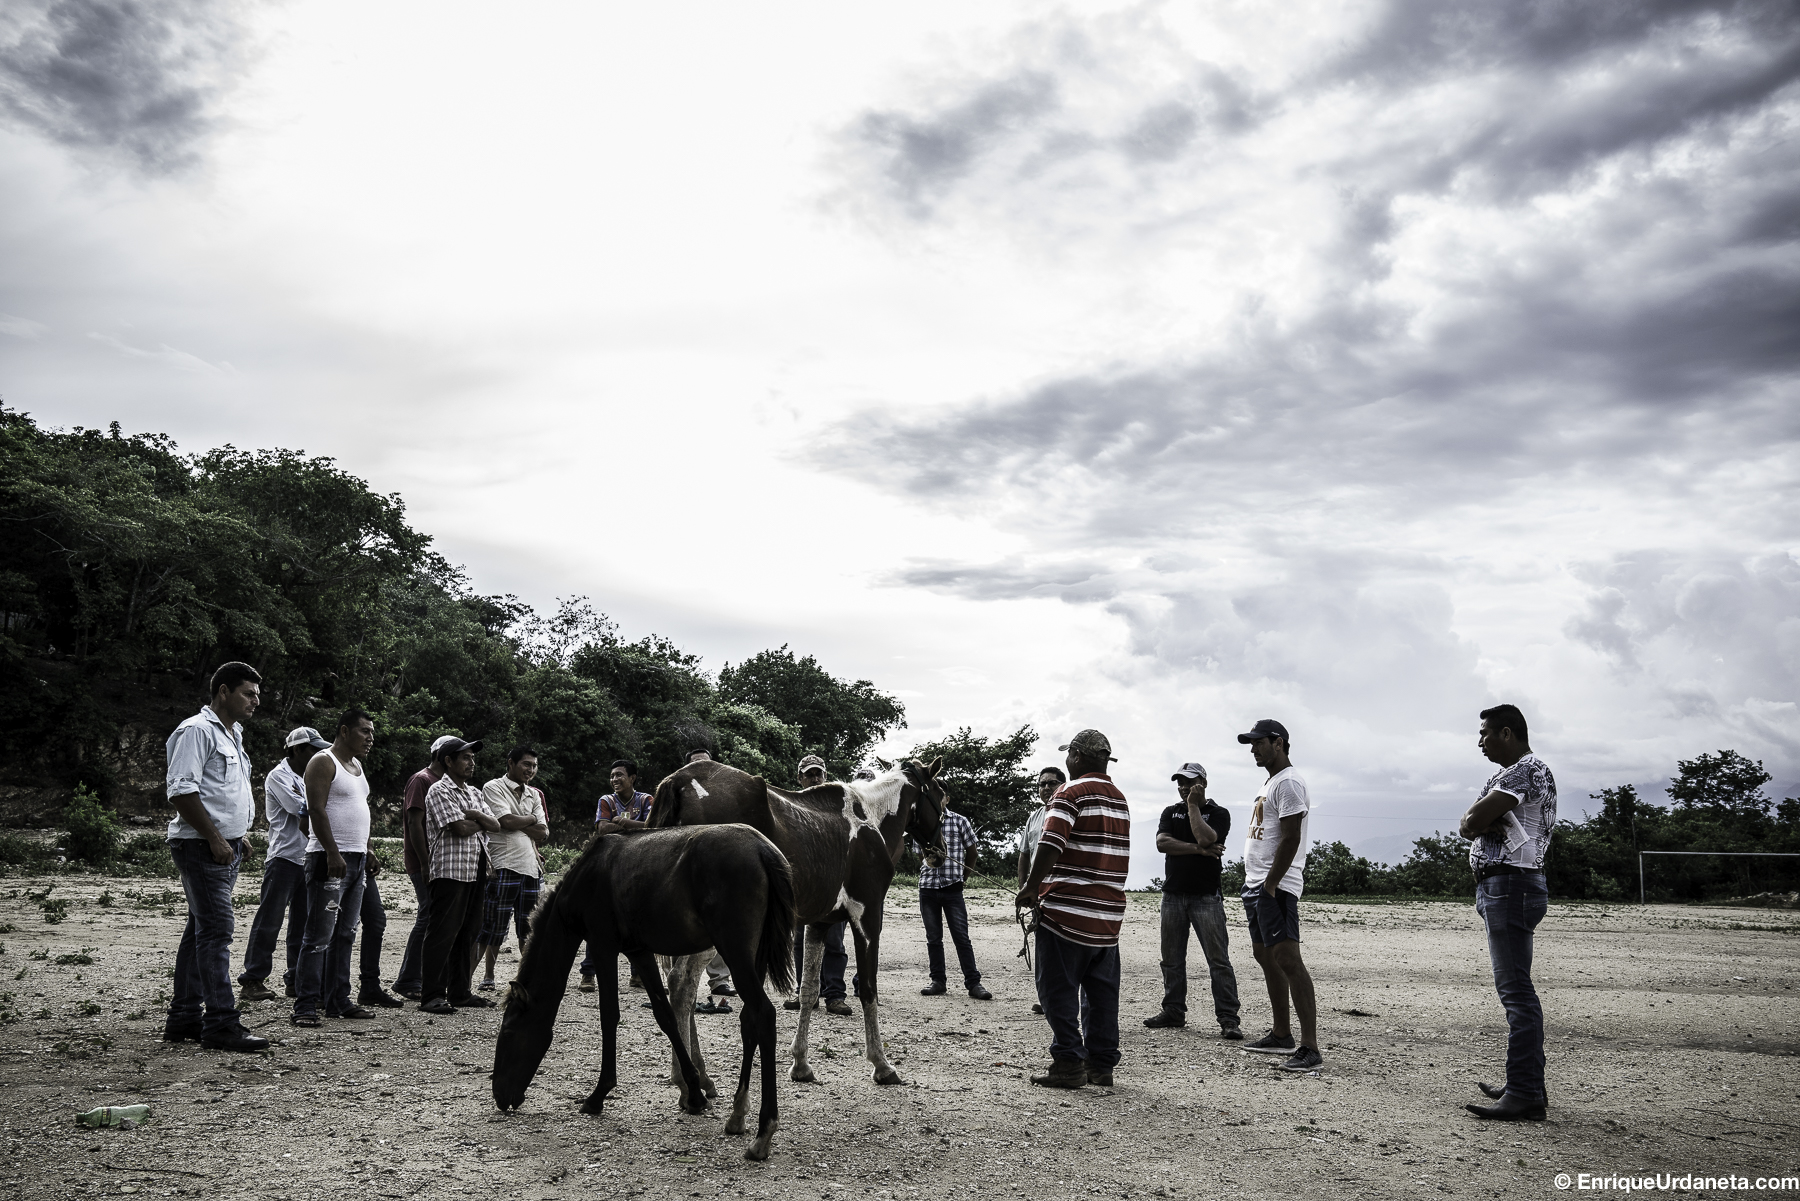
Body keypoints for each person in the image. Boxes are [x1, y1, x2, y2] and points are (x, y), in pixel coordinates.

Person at [162, 662, 269, 1052]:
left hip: (223, 845)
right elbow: (182, 791)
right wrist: (215, 837)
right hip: (202, 846)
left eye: (257, 695)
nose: (255, 701)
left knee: (200, 931)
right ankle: (221, 1023)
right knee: (217, 931)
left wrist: (237, 835)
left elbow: (222, 792)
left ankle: (184, 1018)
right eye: (248, 693)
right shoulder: (196, 731)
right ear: (223, 692)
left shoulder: (233, 733)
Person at [1015, 729, 1130, 1089]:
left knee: (1056, 990)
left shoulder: (1070, 792)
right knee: (1100, 995)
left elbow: (1050, 843)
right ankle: (1101, 1065)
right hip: (1108, 916)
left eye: (1069, 755)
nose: (1067, 761)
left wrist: (1031, 887)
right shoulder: (1119, 798)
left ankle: (1068, 1062)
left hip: (1066, 913)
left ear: (1078, 757)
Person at [1460, 703, 1556, 1122]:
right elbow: (1476, 822)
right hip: (1511, 884)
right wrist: (1477, 823)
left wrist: (1474, 822)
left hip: (1511, 885)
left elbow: (1471, 820)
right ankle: (1526, 1083)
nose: (1479, 741)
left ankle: (1524, 1092)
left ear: (1505, 733)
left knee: (1516, 992)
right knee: (1516, 989)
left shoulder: (1521, 770)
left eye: (1484, 733)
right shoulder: (1524, 771)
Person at [1237, 719, 1322, 1072]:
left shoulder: (1288, 782)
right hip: (1257, 883)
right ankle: (1281, 1033)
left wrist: (1271, 884)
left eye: (1259, 742)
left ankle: (1310, 1047)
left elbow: (1291, 838)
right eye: (1251, 743)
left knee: (1287, 957)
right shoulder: (1271, 782)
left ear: (1279, 743)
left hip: (1276, 886)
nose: (1254, 748)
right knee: (1265, 956)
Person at [292, 709, 377, 1026]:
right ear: (344, 731)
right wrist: (332, 852)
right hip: (330, 859)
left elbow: (360, 810)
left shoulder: (357, 766)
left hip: (355, 860)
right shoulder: (323, 761)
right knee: (318, 935)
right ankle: (305, 1005)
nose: (370, 738)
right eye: (364, 731)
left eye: (371, 732)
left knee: (345, 933)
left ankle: (338, 1000)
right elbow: (314, 809)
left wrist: (368, 848)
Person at [1145, 762, 1241, 1038]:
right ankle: (1173, 1011)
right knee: (1171, 958)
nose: (1184, 787)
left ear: (1203, 783)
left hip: (1206, 897)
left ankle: (1228, 1018)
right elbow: (1163, 843)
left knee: (1218, 960)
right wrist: (1200, 851)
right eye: (1180, 782)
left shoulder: (1218, 813)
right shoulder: (1168, 811)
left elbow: (1205, 835)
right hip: (1173, 895)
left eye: (1190, 782)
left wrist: (1193, 807)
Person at [238, 726, 326, 1004]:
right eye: (312, 750)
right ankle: (252, 978)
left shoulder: (307, 775)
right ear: (296, 749)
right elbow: (300, 806)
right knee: (270, 920)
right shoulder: (279, 776)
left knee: (302, 923)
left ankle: (295, 978)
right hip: (284, 858)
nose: (317, 755)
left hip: (307, 856)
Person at [421, 737, 501, 1013]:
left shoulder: (475, 794)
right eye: (465, 757)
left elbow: (495, 824)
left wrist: (476, 814)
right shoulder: (438, 791)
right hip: (450, 870)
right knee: (442, 932)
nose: (471, 762)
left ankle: (460, 992)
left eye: (472, 758)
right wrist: (478, 822)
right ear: (448, 761)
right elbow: (460, 828)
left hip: (477, 868)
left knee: (468, 931)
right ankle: (431, 994)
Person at [785, 753, 854, 1017]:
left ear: (826, 775)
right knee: (799, 942)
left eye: (818, 773)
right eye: (809, 774)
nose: (814, 778)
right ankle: (805, 993)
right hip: (803, 886)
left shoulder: (839, 805)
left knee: (834, 942)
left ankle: (835, 995)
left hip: (835, 886)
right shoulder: (791, 806)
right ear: (799, 778)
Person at [476, 746, 550, 991]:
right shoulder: (493, 787)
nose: (531, 770)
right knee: (494, 926)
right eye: (526, 764)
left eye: (534, 766)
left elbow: (544, 831)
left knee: (527, 928)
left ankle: (524, 980)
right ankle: (487, 976)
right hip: (503, 864)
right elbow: (503, 822)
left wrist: (519, 821)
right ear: (511, 763)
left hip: (531, 866)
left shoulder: (534, 794)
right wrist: (529, 819)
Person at [579, 759, 655, 991]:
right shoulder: (606, 800)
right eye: (612, 776)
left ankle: (638, 975)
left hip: (639, 866)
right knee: (600, 918)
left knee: (638, 918)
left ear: (632, 778)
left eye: (619, 775)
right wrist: (635, 825)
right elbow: (601, 828)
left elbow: (653, 827)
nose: (614, 780)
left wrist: (621, 821)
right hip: (609, 866)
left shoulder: (646, 799)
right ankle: (588, 973)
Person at [393, 735, 456, 1001]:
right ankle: (409, 978)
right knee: (428, 916)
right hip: (425, 862)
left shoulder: (446, 784)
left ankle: (425, 976)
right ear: (443, 756)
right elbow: (414, 822)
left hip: (441, 861)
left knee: (436, 917)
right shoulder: (422, 780)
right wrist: (424, 861)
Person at [914, 798, 992, 1000]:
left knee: (961, 937)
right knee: (933, 938)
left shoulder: (959, 821)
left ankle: (973, 983)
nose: (935, 799)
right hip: (928, 888)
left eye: (940, 795)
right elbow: (918, 853)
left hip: (953, 888)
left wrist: (962, 878)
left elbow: (972, 852)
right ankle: (938, 981)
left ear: (947, 798)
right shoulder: (921, 823)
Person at [1018, 766, 1064, 1016]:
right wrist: (1024, 886)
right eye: (1042, 784)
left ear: (1063, 786)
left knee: (1065, 948)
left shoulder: (1069, 812)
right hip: (1038, 893)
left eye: (1052, 783)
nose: (1046, 787)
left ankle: (1062, 1003)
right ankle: (1047, 1001)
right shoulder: (1035, 817)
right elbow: (1024, 853)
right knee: (1044, 950)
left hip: (1061, 888)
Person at [356, 859, 403, 1008]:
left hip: (360, 859)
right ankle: (324, 989)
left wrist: (369, 849)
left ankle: (369, 986)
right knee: (335, 925)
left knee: (376, 920)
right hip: (338, 856)